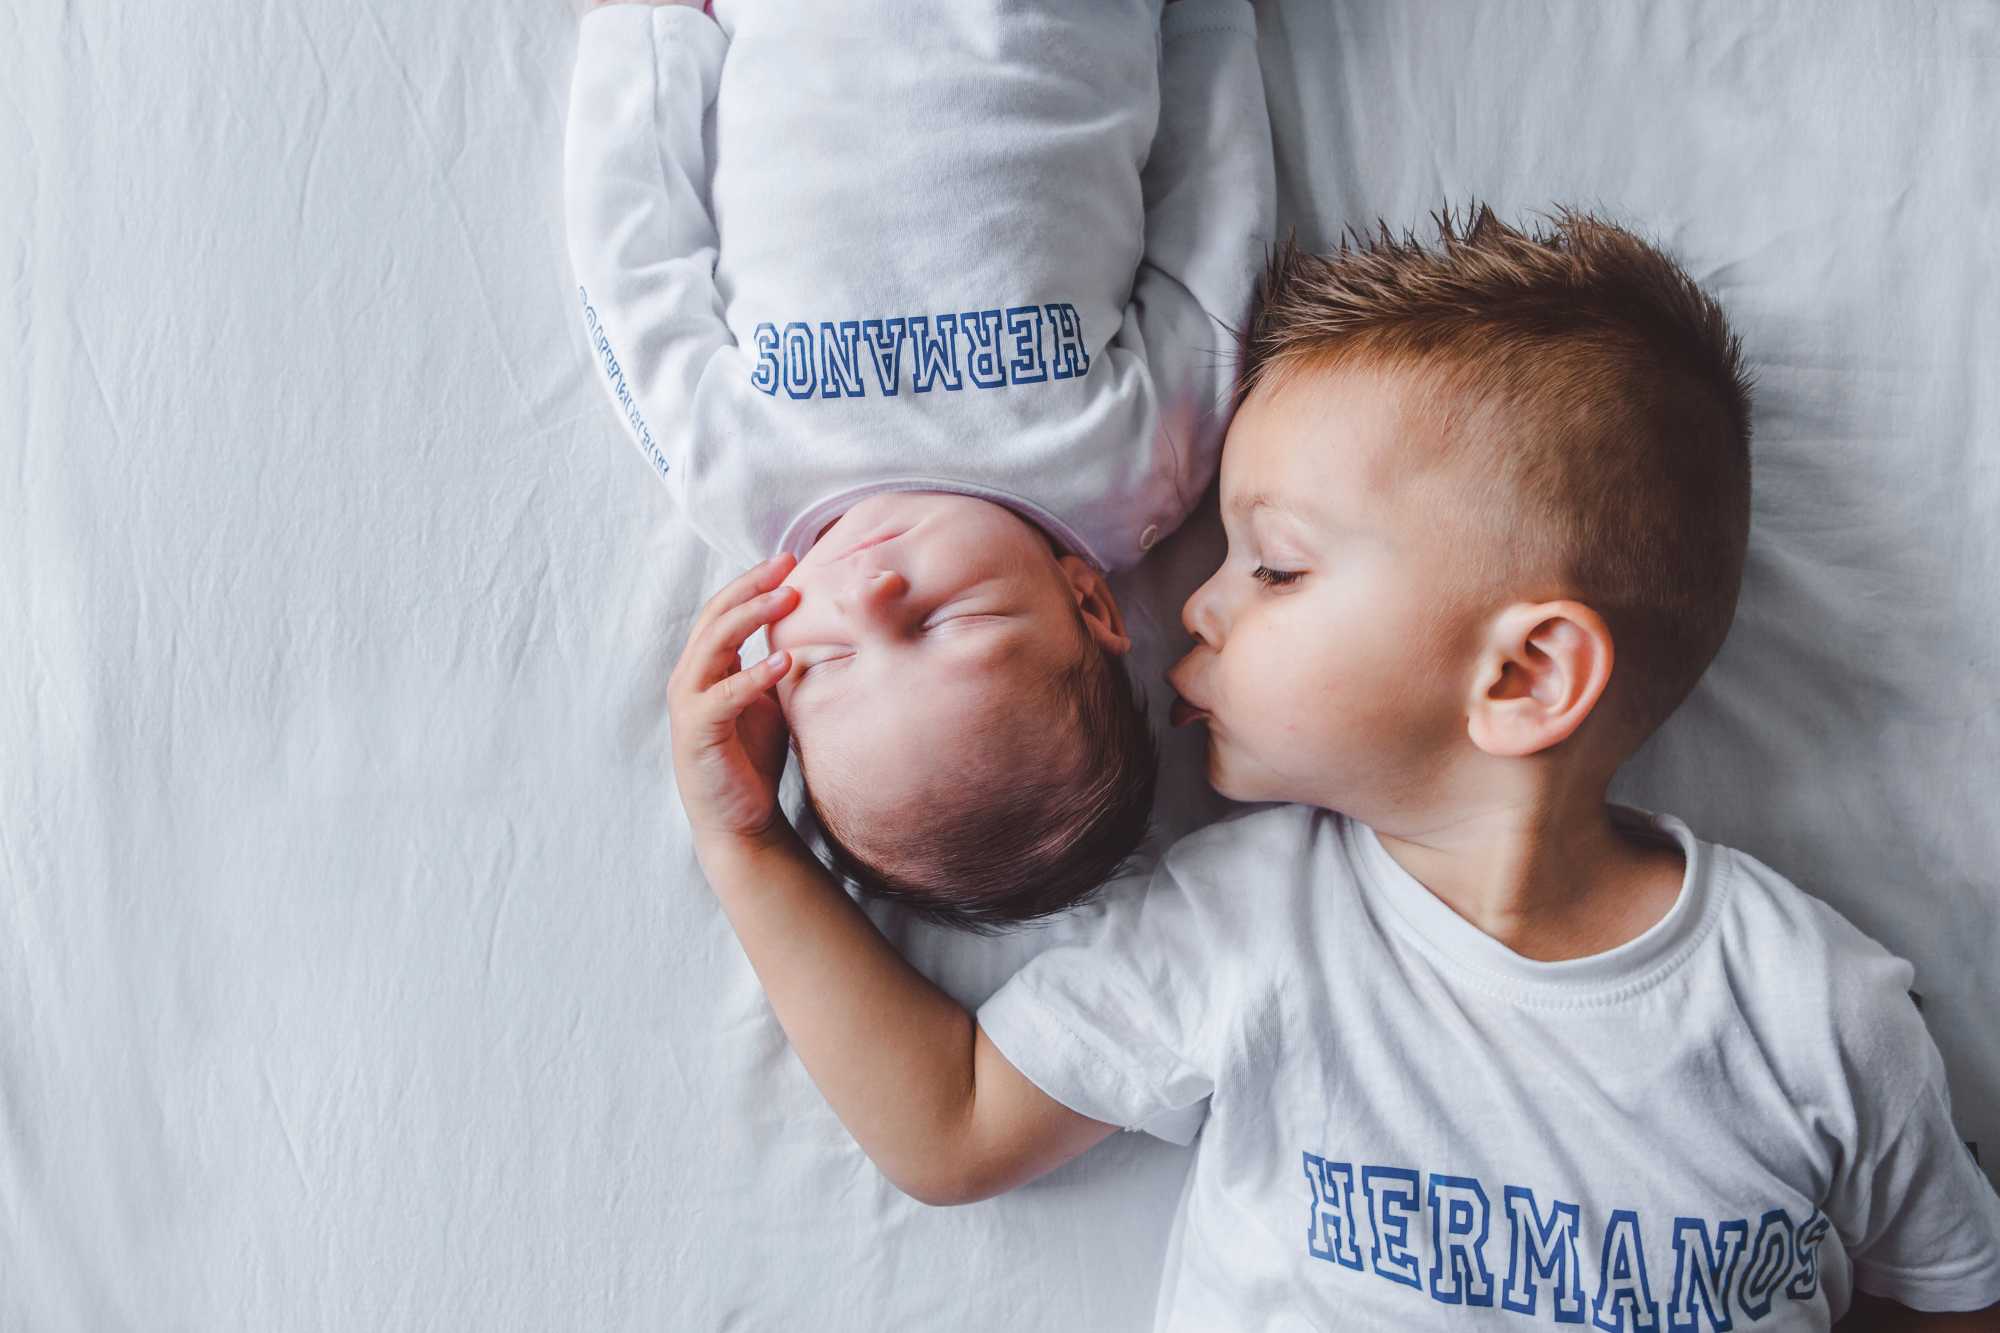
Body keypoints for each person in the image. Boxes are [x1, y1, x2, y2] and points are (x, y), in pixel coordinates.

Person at [665, 208, 2000, 1329]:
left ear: (1524, 676)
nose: (1198, 600)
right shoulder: (1251, 922)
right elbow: (949, 1124)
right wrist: (746, 843)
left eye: (1277, 565)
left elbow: (1951, 1295)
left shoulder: (1823, 1019)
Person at [564, 0, 1274, 930]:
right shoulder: (1136, 472)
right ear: (1090, 604)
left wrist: (645, 35)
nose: (868, 595)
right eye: (950, 619)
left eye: (821, 660)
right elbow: (1214, 224)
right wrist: (1207, 24)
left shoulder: (739, 479)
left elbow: (633, 278)